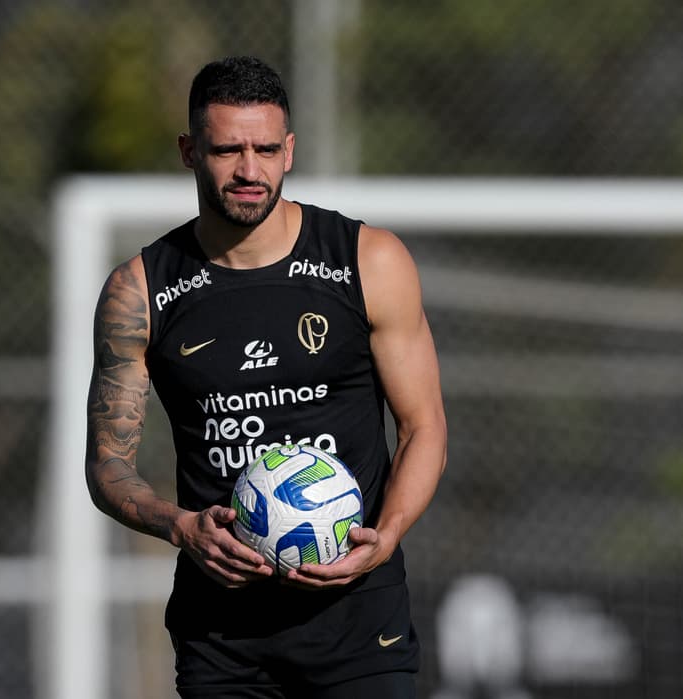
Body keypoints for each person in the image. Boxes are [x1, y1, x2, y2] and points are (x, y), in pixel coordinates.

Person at [85, 55, 447, 698]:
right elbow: (107, 465)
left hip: (361, 629)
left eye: (266, 149)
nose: (250, 171)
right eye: (227, 150)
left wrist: (386, 537)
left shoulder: (370, 261)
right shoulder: (140, 291)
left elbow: (424, 427)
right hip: (223, 642)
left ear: (290, 151)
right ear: (189, 151)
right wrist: (178, 526)